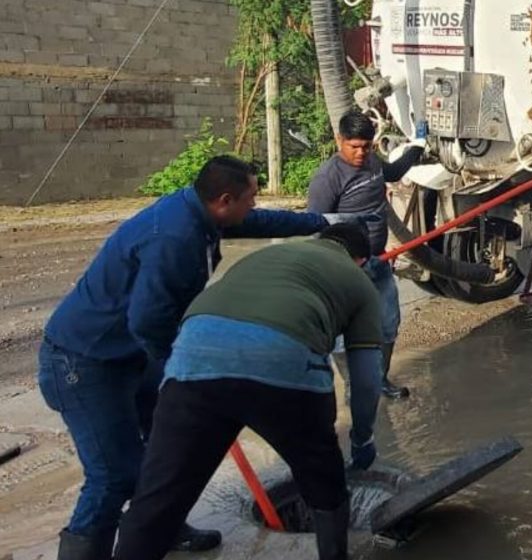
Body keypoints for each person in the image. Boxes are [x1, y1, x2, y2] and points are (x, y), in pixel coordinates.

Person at [38, 155, 332, 559]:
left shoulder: (201, 211)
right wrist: (183, 368)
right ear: (224, 199)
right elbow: (146, 320)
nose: (254, 207)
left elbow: (256, 223)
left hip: (127, 356)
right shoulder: (175, 238)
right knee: (112, 476)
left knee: (166, 447)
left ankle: (165, 527)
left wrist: (321, 223)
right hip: (84, 362)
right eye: (250, 199)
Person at [113, 223, 384, 560]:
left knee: (157, 497)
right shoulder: (358, 280)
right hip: (282, 364)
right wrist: (362, 438)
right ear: (360, 259)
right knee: (325, 482)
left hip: (193, 358)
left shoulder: (269, 255)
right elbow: (367, 378)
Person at [308, 110, 425, 399]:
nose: (360, 153)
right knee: (340, 336)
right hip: (343, 268)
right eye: (354, 147)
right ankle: (354, 386)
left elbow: (394, 172)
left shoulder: (373, 162)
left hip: (378, 262)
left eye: (366, 146)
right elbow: (315, 228)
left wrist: (418, 146)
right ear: (339, 140)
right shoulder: (328, 178)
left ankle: (378, 380)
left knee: (387, 324)